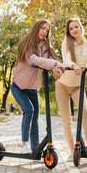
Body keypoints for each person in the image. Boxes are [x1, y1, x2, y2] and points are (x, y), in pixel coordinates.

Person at [11, 19, 65, 154]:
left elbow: (57, 61)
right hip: (18, 86)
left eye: (47, 30)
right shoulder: (26, 45)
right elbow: (35, 60)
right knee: (28, 110)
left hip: (32, 89)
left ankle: (35, 149)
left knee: (35, 118)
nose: (45, 32)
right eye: (42, 28)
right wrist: (53, 65)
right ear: (36, 28)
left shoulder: (47, 47)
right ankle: (24, 145)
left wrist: (59, 70)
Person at [55, 18, 87, 162]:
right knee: (66, 119)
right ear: (68, 32)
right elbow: (66, 60)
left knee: (85, 112)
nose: (74, 30)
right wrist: (74, 66)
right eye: (71, 28)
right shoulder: (66, 43)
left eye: (76, 27)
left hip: (77, 86)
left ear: (81, 27)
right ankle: (71, 152)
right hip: (62, 85)